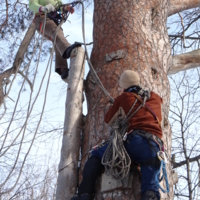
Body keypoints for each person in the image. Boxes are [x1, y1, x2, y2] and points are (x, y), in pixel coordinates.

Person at [71, 70, 163, 200]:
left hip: (135, 142)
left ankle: (84, 194)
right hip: (154, 146)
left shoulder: (124, 98)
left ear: (124, 86)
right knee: (151, 190)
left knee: (96, 155)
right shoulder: (155, 97)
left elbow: (109, 119)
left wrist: (119, 104)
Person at [29, 0, 81, 82]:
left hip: (52, 20)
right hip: (42, 18)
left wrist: (66, 8)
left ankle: (62, 69)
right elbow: (31, 4)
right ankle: (67, 49)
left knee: (58, 38)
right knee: (56, 31)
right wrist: (42, 8)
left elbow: (59, 6)